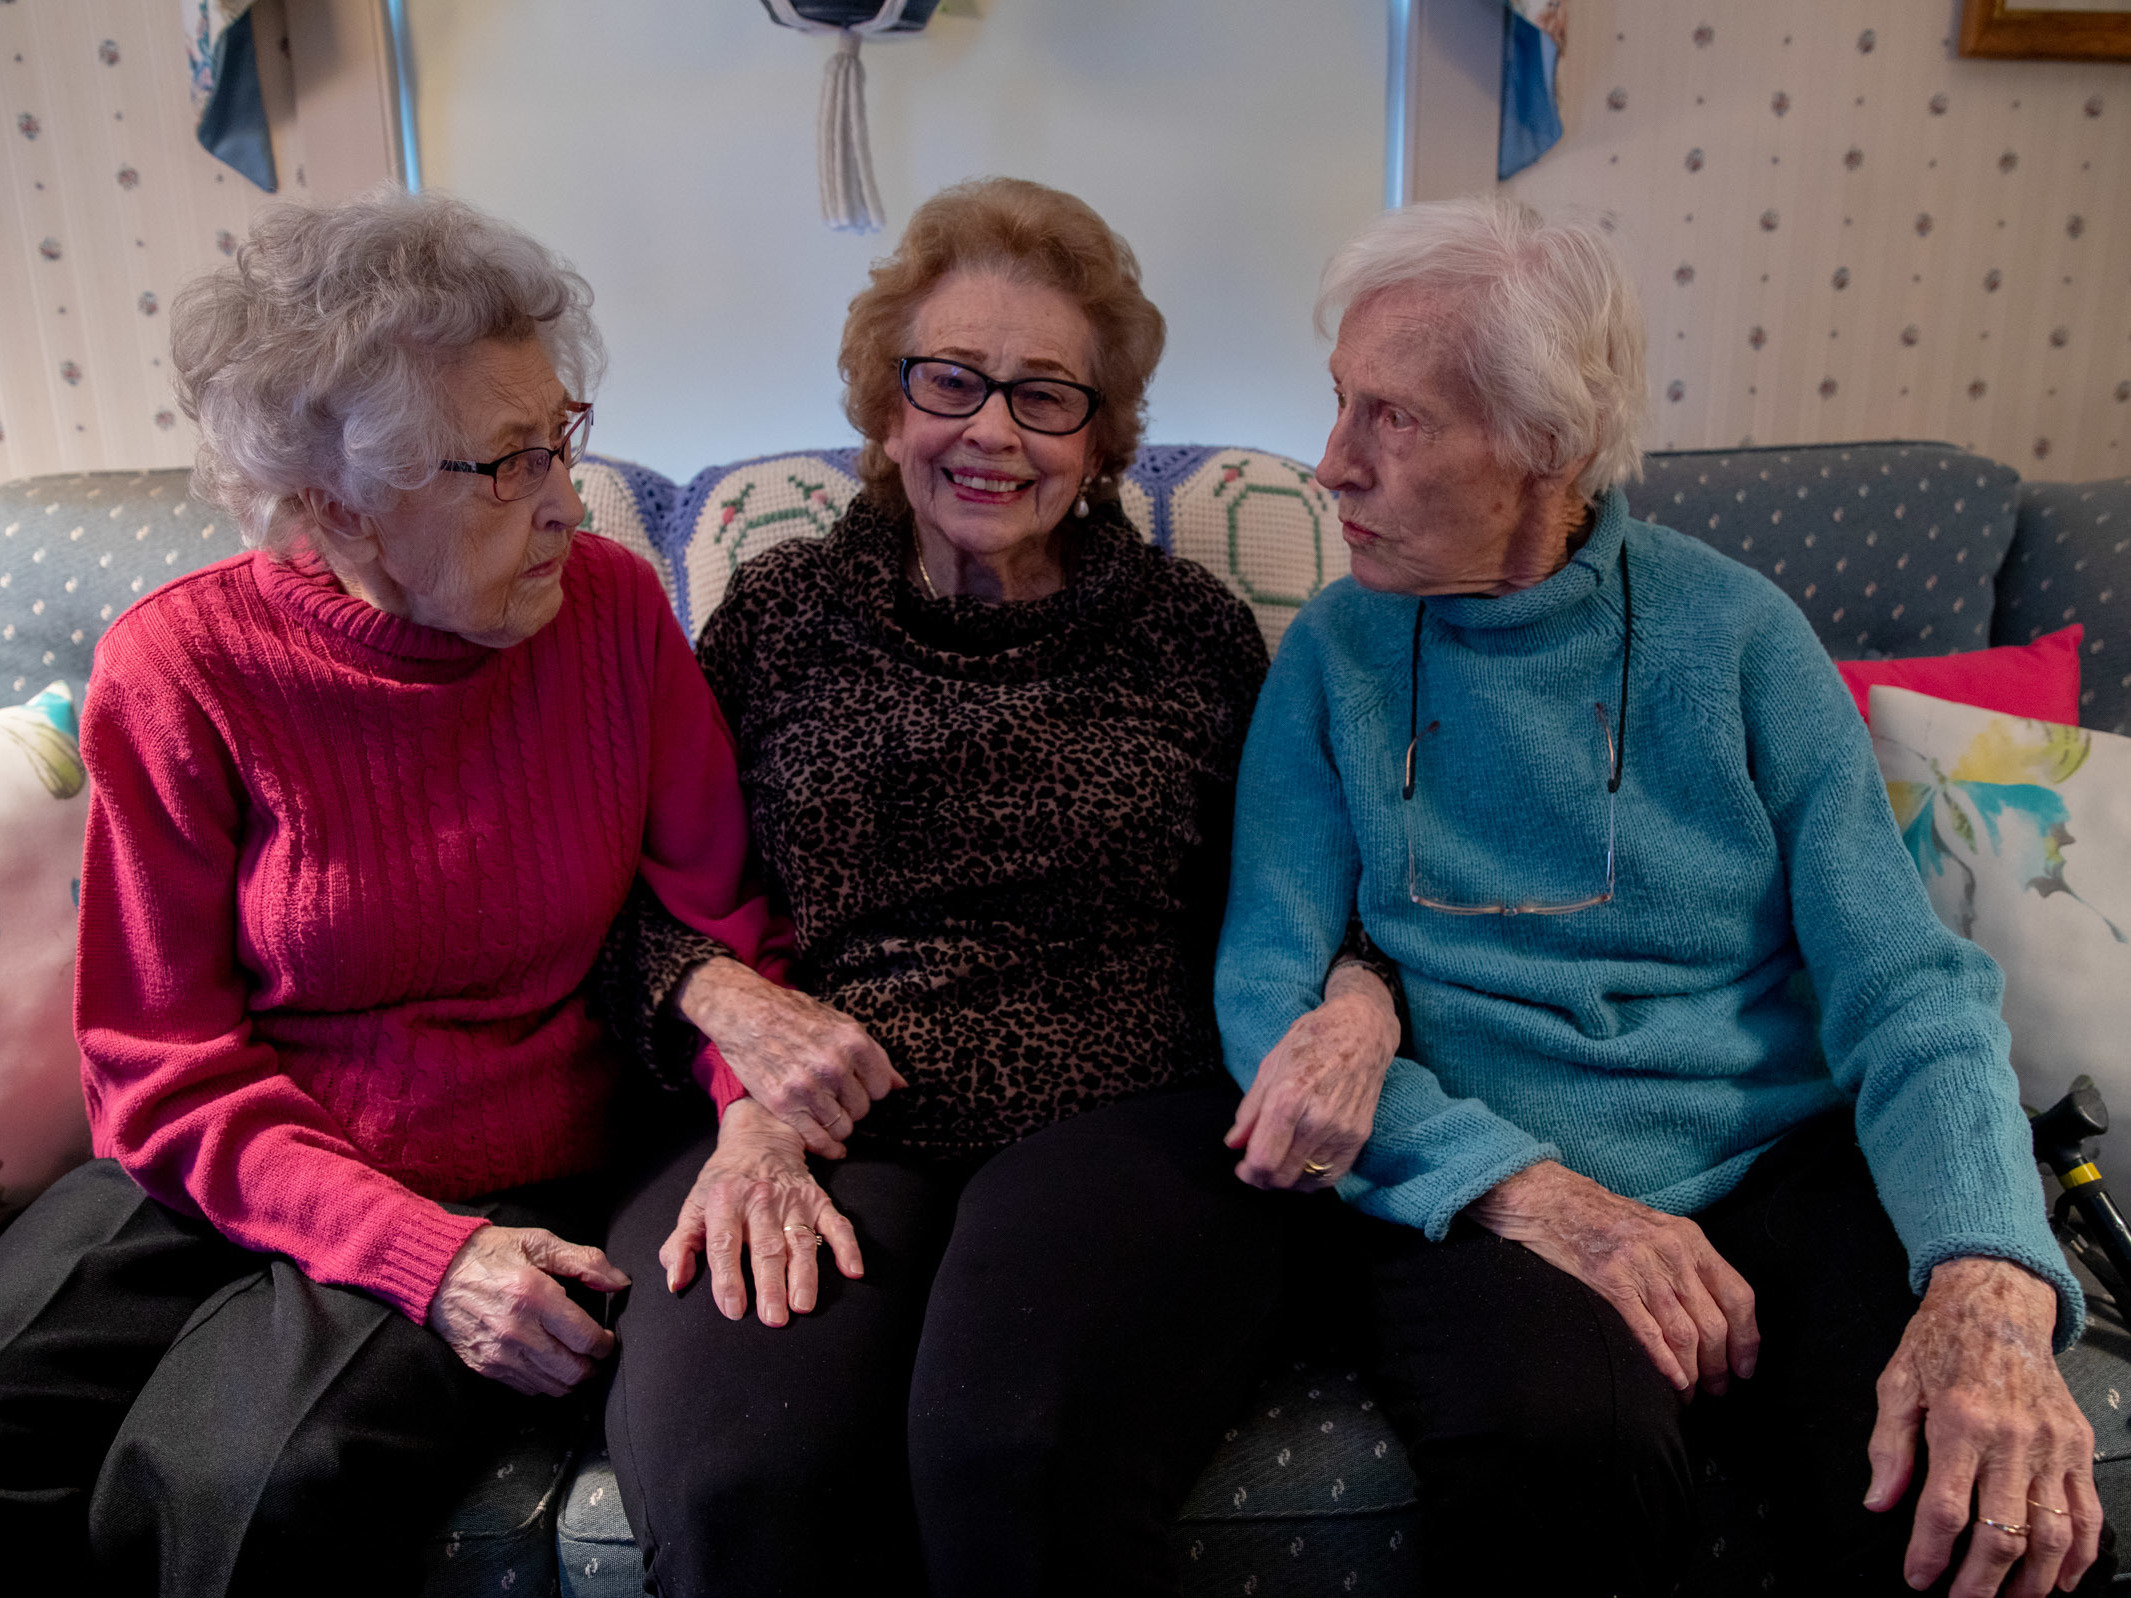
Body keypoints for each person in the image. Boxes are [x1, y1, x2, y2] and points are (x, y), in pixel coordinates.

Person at [1214, 196, 2109, 1598]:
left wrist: (1992, 1263)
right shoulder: (1334, 655)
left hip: (1773, 1147)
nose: (1332, 466)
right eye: (1340, 405)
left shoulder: (1739, 634)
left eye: (1393, 420)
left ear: (1545, 446)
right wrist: (1529, 1191)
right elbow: (1265, 984)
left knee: (1948, 1469)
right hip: (1494, 1168)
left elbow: (1905, 981)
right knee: (1562, 1444)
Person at [0, 190, 787, 1595]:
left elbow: (724, 923)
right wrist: (402, 1248)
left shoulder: (611, 616)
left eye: (562, 437)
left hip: (504, 1163)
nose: (562, 499)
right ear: (330, 503)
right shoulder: (178, 670)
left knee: (232, 1487)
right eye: (500, 465)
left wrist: (752, 1131)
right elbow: (158, 1065)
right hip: (230, 1147)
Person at [596, 176, 1297, 1595]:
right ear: (885, 404)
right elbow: (636, 902)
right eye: (952, 381)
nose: (991, 429)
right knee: (741, 1471)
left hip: (1127, 1120)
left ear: (1102, 440)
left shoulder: (1190, 634)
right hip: (832, 1122)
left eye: (1047, 396)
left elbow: (1291, 897)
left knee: (1009, 1452)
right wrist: (730, 1012)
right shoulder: (781, 617)